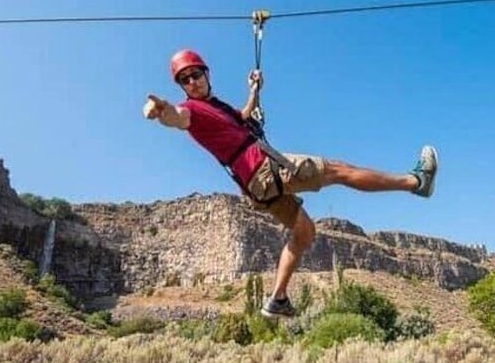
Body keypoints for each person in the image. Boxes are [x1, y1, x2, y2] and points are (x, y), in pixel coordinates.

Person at [144, 49, 438, 318]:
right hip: (262, 169)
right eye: (185, 80)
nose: (192, 82)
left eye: (195, 74)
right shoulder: (191, 110)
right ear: (181, 88)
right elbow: (178, 118)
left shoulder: (216, 107)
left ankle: (277, 299)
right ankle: (416, 182)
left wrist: (254, 91)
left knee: (305, 232)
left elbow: (244, 116)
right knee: (339, 170)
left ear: (207, 74)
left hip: (257, 187)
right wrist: (162, 112)